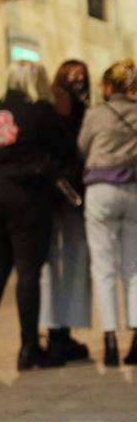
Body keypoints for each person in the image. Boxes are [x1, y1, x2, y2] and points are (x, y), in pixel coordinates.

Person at [0, 61, 78, 373]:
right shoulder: (40, 110)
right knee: (28, 272)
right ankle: (29, 348)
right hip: (25, 195)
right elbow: (67, 148)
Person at [79, 59, 137, 367]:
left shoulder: (96, 113)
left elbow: (82, 147)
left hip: (100, 190)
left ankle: (111, 340)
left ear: (108, 86)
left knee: (103, 268)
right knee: (133, 266)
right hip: (133, 189)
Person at [40, 60, 93, 364]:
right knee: (54, 267)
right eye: (72, 74)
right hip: (56, 196)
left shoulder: (84, 108)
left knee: (73, 265)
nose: (77, 79)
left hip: (75, 198)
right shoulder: (52, 107)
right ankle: (55, 331)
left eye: (81, 75)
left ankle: (64, 330)